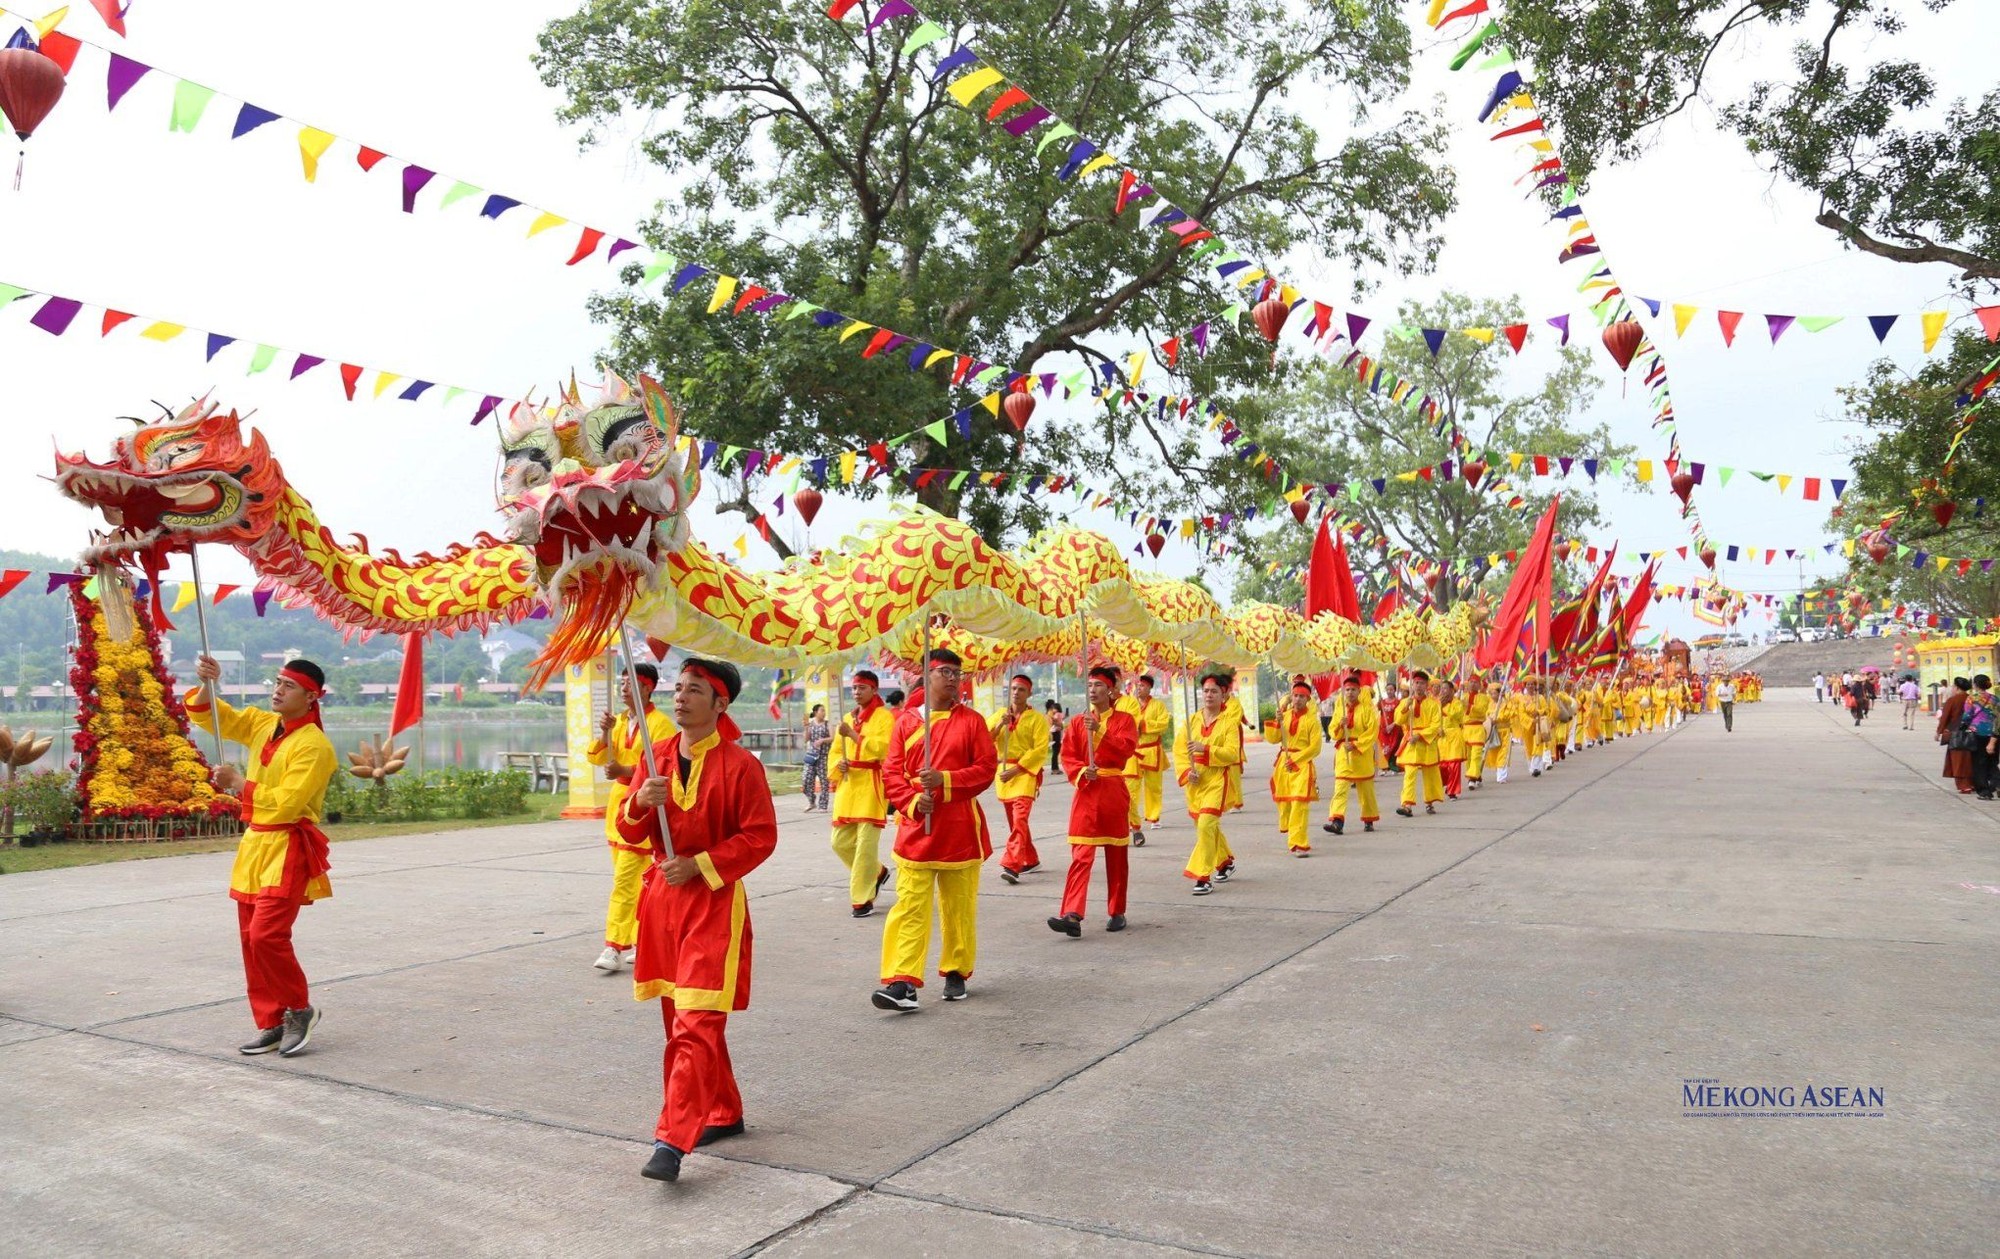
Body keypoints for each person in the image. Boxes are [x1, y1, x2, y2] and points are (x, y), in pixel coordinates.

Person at [616, 658, 778, 1184]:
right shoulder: (655, 755)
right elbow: (631, 830)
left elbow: (760, 836)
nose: (681, 697)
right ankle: (724, 1112)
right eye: (678, 688)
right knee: (683, 1021)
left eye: (695, 690)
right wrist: (639, 801)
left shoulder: (741, 765)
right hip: (663, 902)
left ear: (720, 703)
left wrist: (702, 864)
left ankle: (672, 1138)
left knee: (696, 1020)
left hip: (712, 903)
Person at [189, 653, 337, 1059]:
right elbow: (208, 715)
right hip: (255, 845)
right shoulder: (262, 724)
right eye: (277, 682)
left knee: (267, 935)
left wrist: (239, 782)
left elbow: (289, 805)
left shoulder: (315, 746)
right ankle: (270, 1021)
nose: (277, 690)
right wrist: (208, 682)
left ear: (311, 697)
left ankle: (299, 1009)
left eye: (288, 686)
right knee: (249, 940)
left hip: (288, 845)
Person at [872, 649, 998, 1012]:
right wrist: (912, 802)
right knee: (909, 905)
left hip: (960, 827)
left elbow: (985, 769)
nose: (953, 679)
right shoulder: (905, 723)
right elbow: (892, 773)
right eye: (945, 671)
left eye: (957, 673)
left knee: (958, 907)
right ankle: (902, 981)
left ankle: (956, 969)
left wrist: (944, 780)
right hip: (916, 829)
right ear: (926, 675)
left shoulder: (972, 721)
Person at [586, 662, 679, 973]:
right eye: (622, 682)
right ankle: (644, 941)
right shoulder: (620, 721)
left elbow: (662, 769)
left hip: (643, 807)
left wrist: (625, 772)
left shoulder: (661, 724)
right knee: (635, 882)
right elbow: (597, 756)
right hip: (618, 808)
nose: (623, 687)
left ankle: (613, 945)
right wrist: (604, 731)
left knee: (625, 881)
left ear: (647, 687)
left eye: (630, 682)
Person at [1049, 664, 1140, 936]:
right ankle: (1072, 914)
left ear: (1111, 690)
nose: (1093, 689)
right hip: (1087, 791)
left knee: (1116, 855)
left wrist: (1099, 730)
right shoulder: (1077, 722)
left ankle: (1117, 910)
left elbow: (1124, 751)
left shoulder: (1124, 720)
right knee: (1081, 854)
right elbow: (1068, 757)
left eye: (1098, 685)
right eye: (1089, 685)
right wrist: (1080, 772)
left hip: (1112, 789)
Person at [829, 670, 895, 919]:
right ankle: (877, 872)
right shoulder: (846, 718)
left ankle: (862, 898)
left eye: (862, 688)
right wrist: (838, 765)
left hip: (871, 785)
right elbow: (835, 751)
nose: (856, 692)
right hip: (848, 786)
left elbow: (884, 749)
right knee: (839, 842)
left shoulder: (884, 717)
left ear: (874, 690)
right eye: (854, 688)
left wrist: (854, 735)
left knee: (866, 847)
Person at [1174, 667, 1242, 894]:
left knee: (1206, 824)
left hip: (1216, 781)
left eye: (1214, 691)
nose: (1209, 695)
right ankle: (1224, 861)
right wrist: (1185, 772)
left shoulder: (1229, 723)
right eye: (1205, 691)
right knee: (1207, 828)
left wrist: (1207, 749)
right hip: (1195, 783)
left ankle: (1202, 876)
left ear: (1223, 695)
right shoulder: (1191, 721)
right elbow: (1179, 751)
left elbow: (1233, 753)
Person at [989, 674, 1051, 884]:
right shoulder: (999, 714)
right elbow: (984, 739)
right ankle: (1030, 859)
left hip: (1025, 773)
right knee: (1015, 822)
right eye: (1013, 689)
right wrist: (999, 725)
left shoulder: (1038, 719)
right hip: (1003, 774)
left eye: (1021, 689)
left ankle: (1012, 863)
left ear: (1029, 693)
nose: (1016, 693)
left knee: (1019, 819)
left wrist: (1016, 770)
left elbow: (1040, 749)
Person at [1116, 674, 1172, 842]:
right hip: (1133, 752)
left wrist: (1144, 725)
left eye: (1142, 686)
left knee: (1153, 786)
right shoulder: (1128, 704)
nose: (1139, 688)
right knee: (1131, 787)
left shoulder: (1158, 705)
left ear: (1149, 688)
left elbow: (1163, 724)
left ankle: (1153, 816)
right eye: (1137, 686)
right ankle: (1131, 820)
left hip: (1152, 750)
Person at [1322, 672, 1380, 835]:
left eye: (1353, 689)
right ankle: (1337, 821)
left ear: (1359, 691)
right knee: (1340, 788)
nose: (1350, 693)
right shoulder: (1340, 709)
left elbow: (1372, 732)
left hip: (1361, 754)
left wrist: (1355, 744)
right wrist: (1340, 726)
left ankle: (1369, 819)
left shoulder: (1368, 709)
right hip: (1344, 754)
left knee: (1366, 791)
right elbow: (1332, 732)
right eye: (1347, 690)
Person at [1269, 679, 1323, 854]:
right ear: (1291, 697)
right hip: (1283, 763)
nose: (1298, 699)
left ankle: (1298, 842)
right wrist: (1277, 723)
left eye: (1302, 696)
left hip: (1302, 766)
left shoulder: (1312, 721)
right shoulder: (1283, 716)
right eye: (1295, 695)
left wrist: (1297, 758)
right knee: (1285, 803)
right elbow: (1273, 739)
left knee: (1300, 803)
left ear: (1308, 699)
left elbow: (1315, 748)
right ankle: (1290, 828)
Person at [1394, 670, 1444, 816]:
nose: (1419, 686)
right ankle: (1407, 804)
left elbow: (1436, 725)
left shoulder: (1433, 704)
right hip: (1411, 741)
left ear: (1427, 685)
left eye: (1422, 683)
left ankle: (1430, 802)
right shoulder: (1406, 702)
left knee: (1430, 774)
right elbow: (1398, 721)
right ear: (1412, 684)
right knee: (1409, 773)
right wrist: (1405, 708)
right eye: (1416, 683)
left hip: (1426, 742)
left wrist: (1420, 735)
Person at [1938, 677, 1975, 793]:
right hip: (1973, 733)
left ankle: (1964, 785)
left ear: (1957, 688)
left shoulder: (1952, 700)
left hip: (1956, 734)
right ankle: (1973, 783)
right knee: (1971, 759)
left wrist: (1939, 731)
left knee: (1958, 760)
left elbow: (1945, 718)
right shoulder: (1972, 699)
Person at [1436, 678, 1467, 800]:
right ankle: (1445, 785)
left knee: (1454, 764)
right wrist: (1438, 729)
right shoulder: (1436, 703)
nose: (1442, 691)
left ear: (1451, 690)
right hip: (1442, 737)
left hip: (1454, 735)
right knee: (1442, 765)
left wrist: (1444, 706)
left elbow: (1456, 715)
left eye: (1445, 688)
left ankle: (1452, 791)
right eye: (1441, 688)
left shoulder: (1457, 703)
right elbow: (1433, 718)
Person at [1971, 676, 2000, 800]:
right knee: (1993, 761)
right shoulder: (1995, 699)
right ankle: (1998, 784)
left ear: (1975, 685)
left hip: (1978, 733)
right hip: (1995, 733)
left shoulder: (1972, 698)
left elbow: (1967, 715)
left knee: (1979, 763)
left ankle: (1984, 791)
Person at [801, 702, 832, 812]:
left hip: (823, 757)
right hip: (811, 756)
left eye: (824, 710)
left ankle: (823, 805)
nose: (824, 713)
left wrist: (823, 740)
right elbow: (806, 739)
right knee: (805, 780)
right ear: (815, 712)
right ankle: (811, 801)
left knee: (824, 782)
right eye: (821, 710)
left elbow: (833, 737)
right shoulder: (811, 725)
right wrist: (805, 728)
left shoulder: (827, 724)